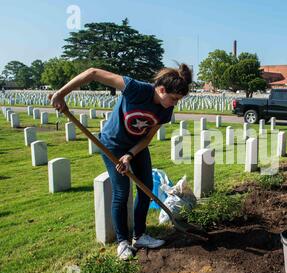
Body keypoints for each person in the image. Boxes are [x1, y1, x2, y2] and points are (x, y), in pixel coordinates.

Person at [50, 64, 192, 260]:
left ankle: (140, 236)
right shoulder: (135, 88)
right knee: (122, 191)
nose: (174, 103)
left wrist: (130, 155)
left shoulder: (164, 111)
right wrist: (60, 94)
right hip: (112, 145)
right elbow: (93, 73)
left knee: (146, 189)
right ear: (161, 90)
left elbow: (148, 137)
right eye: (173, 98)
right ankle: (122, 242)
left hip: (136, 147)